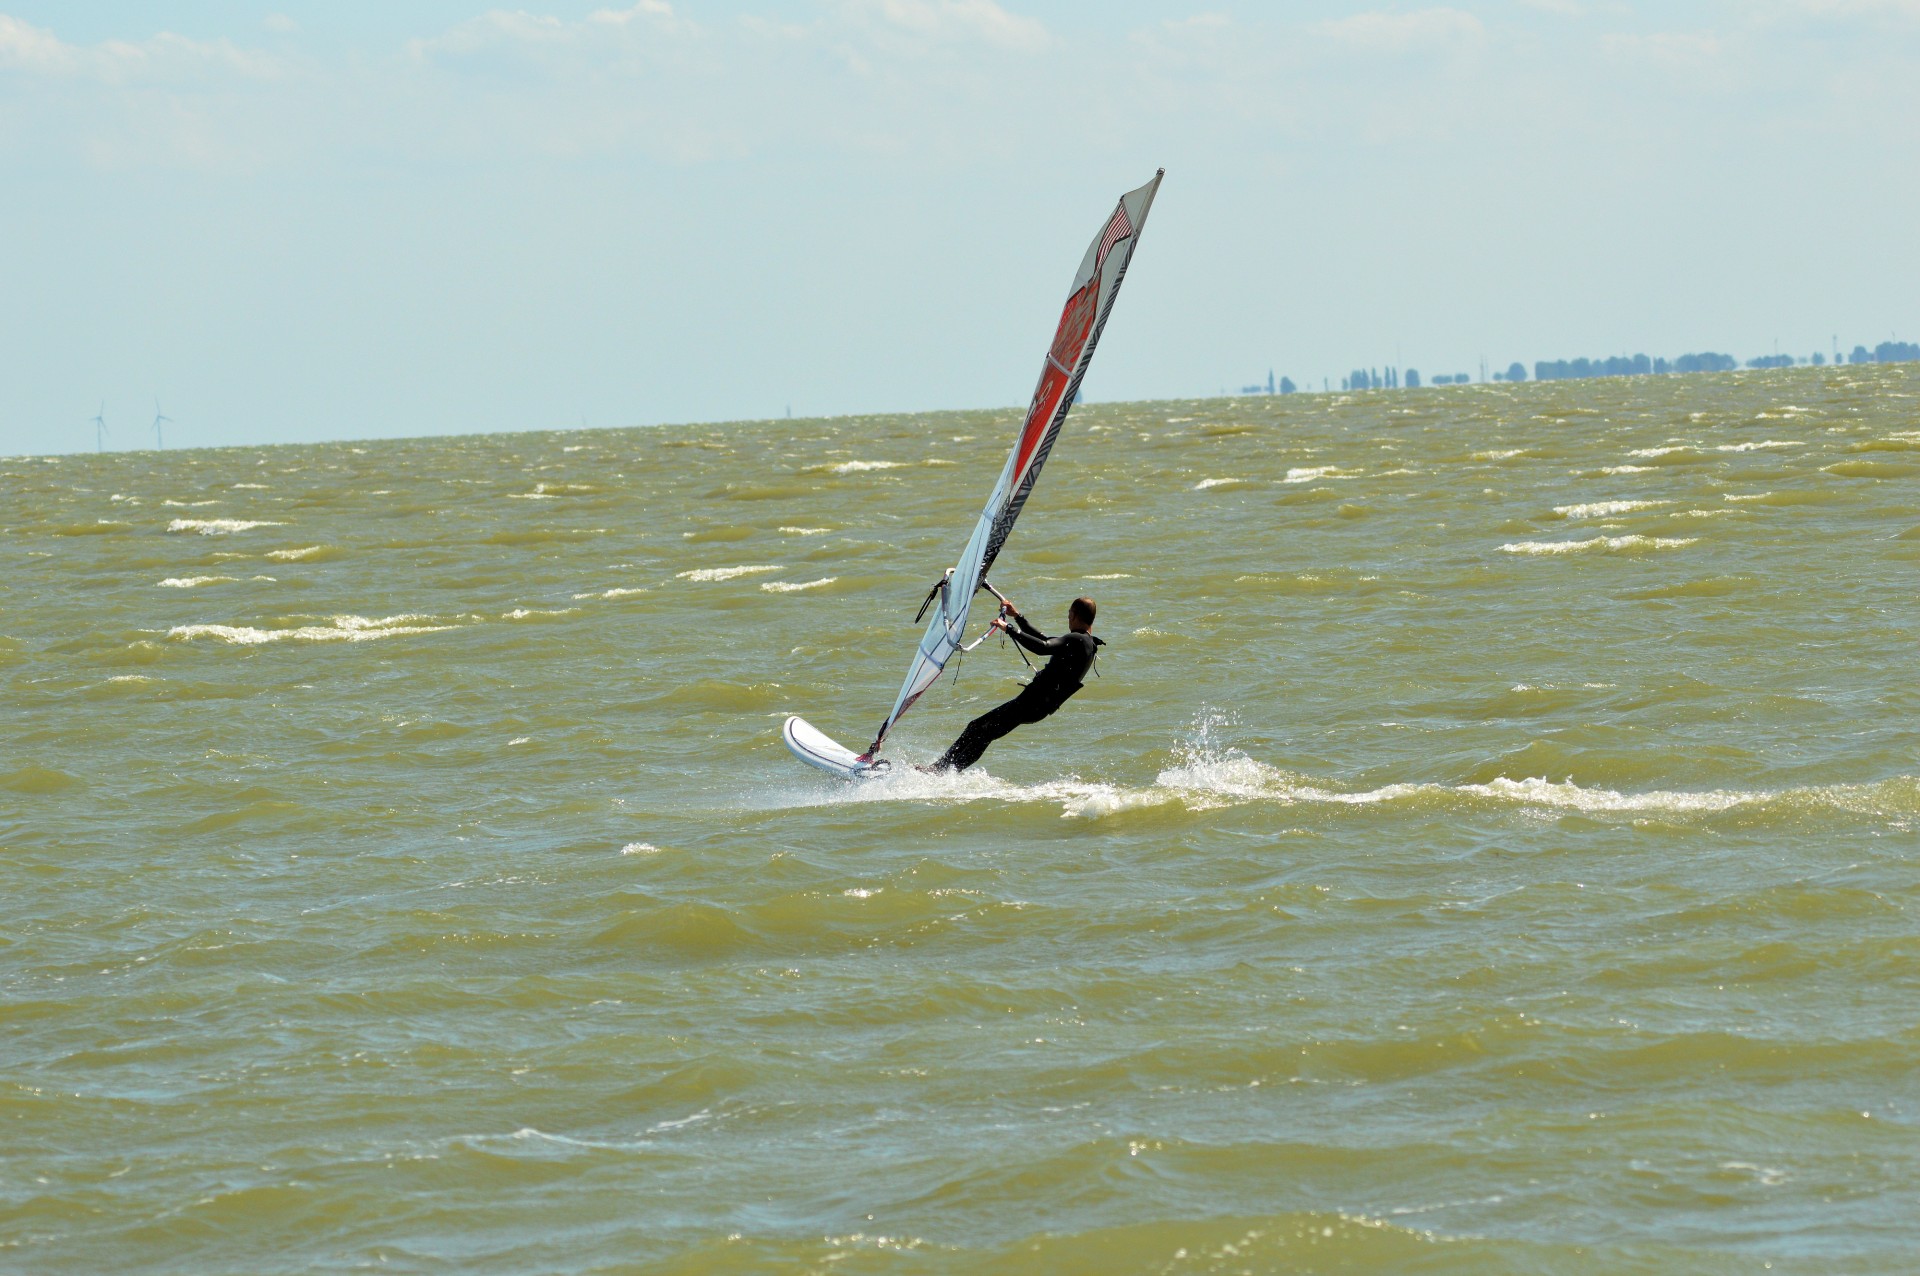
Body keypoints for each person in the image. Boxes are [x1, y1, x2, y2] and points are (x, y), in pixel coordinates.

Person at [931, 595, 1104, 773]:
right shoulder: (1086, 643)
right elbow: (1043, 639)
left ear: (1074, 615)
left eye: (1069, 615)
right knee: (979, 730)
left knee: (981, 731)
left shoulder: (1078, 640)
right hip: (1037, 705)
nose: (1068, 619)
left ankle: (941, 771)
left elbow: (1042, 646)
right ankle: (943, 770)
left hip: (1032, 704)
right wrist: (1018, 616)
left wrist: (1009, 629)